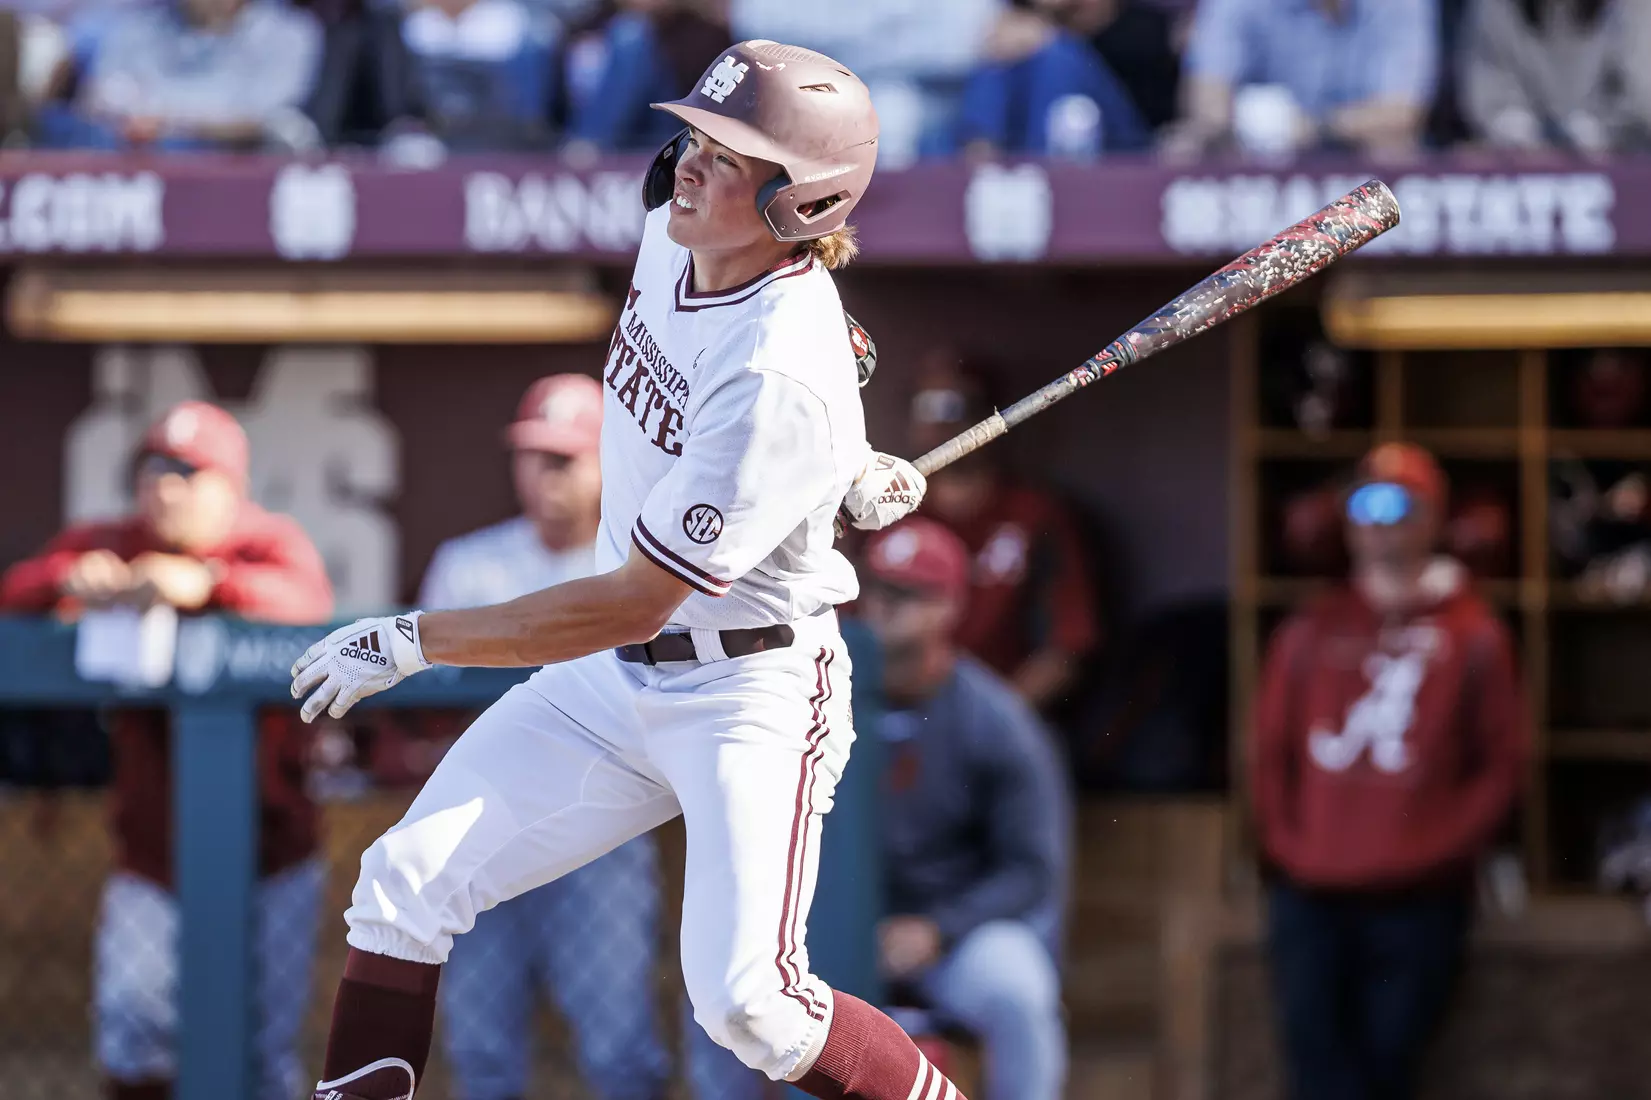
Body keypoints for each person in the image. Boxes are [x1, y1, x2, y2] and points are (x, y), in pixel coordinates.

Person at [288, 41, 966, 1100]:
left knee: (752, 1004)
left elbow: (633, 597)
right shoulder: (676, 230)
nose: (689, 164)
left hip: (747, 689)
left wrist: (418, 637)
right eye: (694, 136)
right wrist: (833, 460)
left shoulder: (782, 371)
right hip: (616, 684)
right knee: (402, 883)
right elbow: (823, 339)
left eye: (730, 153)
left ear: (803, 200)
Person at [0, 401, 335, 1100]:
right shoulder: (115, 541)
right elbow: (17, 590)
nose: (168, 486)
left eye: (189, 472)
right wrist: (70, 578)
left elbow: (307, 601)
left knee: (265, 1051)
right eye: (156, 468)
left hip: (274, 853)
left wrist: (208, 584)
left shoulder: (265, 541)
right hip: (154, 854)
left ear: (231, 487)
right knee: (132, 1020)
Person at [417, 373, 676, 1100]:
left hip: (600, 831)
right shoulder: (468, 562)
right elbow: (428, 709)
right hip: (483, 833)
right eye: (535, 456)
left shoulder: (640, 567)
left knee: (620, 1053)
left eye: (566, 458)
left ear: (605, 462)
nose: (546, 475)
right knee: (482, 1052)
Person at [1250, 443, 1528, 1100]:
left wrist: (1432, 851)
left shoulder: (1473, 632)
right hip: (1312, 896)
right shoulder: (1310, 629)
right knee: (1314, 1065)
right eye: (1362, 505)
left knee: (1389, 1066)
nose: (1377, 522)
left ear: (1432, 517)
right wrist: (1292, 849)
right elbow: (1268, 754)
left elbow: (1502, 765)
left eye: (1397, 505)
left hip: (1418, 900)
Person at [857, 518, 1072, 1100]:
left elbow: (1030, 870)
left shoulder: (997, 721)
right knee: (734, 985)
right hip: (840, 929)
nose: (882, 607)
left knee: (1017, 989)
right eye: (877, 588)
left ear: (948, 607)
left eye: (906, 594)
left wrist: (937, 928)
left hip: (953, 936)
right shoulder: (822, 701)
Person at [908, 356, 1101, 714]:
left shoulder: (1034, 514)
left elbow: (1068, 647)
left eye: (954, 406)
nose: (937, 421)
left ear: (989, 416)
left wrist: (990, 723)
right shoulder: (891, 515)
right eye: (924, 405)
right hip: (895, 716)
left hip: (996, 717)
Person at [1164, 0, 1438, 158]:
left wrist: (1315, 127)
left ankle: (1375, 257)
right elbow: (1208, 99)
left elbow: (1402, 113)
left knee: (1393, 148)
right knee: (1185, 149)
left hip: (1357, 157)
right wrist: (1241, 126)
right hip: (1260, 156)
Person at [38, 0, 323, 150]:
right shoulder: (138, 28)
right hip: (138, 165)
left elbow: (264, 118)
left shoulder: (288, 33)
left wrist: (163, 119)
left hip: (238, 174)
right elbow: (100, 97)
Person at [1458, 0, 1651, 154]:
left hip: (1620, 157)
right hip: (1522, 160)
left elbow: (1638, 99)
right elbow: (1490, 95)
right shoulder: (1494, 8)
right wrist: (1525, 134)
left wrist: (1599, 132)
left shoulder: (1632, 8)